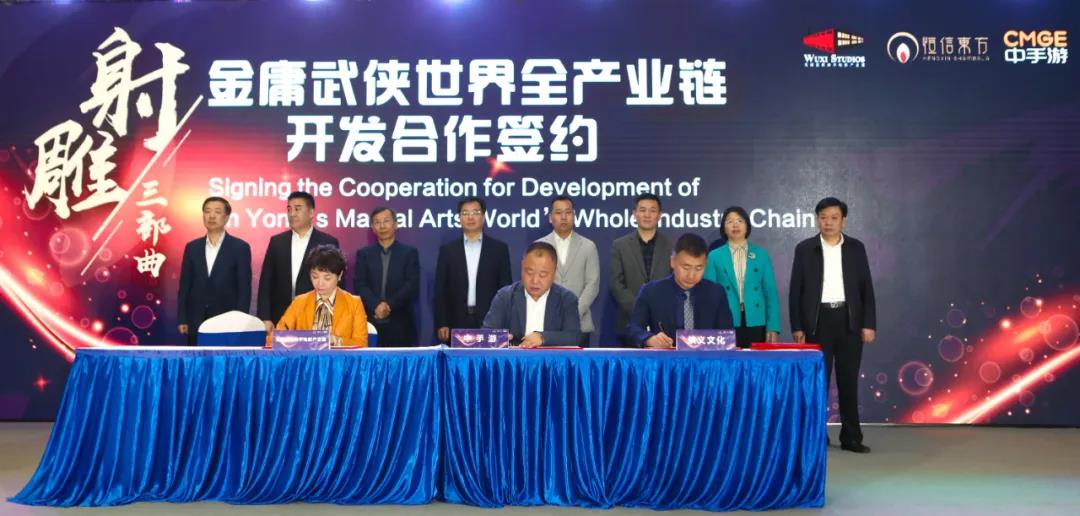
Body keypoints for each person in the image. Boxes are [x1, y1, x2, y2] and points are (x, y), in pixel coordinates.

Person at [790, 197, 877, 453]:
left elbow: (866, 288)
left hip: (849, 321)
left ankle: (851, 437)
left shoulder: (856, 248)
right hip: (817, 323)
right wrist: (797, 327)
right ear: (817, 219)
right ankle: (817, 436)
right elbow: (795, 291)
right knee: (818, 382)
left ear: (843, 221)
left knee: (848, 381)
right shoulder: (805, 249)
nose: (828, 222)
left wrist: (868, 324)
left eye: (834, 217)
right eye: (823, 217)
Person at [626, 233, 734, 347]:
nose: (691, 275)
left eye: (699, 268)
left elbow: (727, 335)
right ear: (673, 261)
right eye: (686, 267)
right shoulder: (651, 291)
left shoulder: (716, 293)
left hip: (706, 357)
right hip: (667, 357)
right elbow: (633, 328)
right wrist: (649, 339)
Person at [257, 191, 340, 332]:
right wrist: (265, 317)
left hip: (315, 317)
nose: (292, 214)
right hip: (280, 317)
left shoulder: (328, 242)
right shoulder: (277, 242)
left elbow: (336, 284)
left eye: (297, 209)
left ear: (311, 212)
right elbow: (266, 282)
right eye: (289, 209)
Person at [434, 197, 512, 342]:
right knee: (458, 357)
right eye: (465, 213)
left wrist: (503, 321)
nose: (470, 217)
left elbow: (505, 288)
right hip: (456, 321)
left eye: (475, 212)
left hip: (490, 320)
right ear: (459, 218)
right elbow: (440, 289)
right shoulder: (448, 250)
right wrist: (442, 322)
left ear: (483, 216)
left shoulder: (499, 249)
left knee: (489, 357)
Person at [177, 197, 252, 345]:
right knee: (197, 359)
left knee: (224, 359)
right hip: (196, 321)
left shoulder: (240, 247)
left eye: (217, 212)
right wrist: (182, 318)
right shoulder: (192, 247)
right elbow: (185, 286)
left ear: (226, 217)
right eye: (207, 211)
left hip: (227, 322)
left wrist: (240, 321)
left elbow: (244, 289)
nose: (211, 216)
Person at [704, 206, 781, 348]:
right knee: (729, 360)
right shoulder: (714, 256)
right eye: (730, 221)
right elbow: (709, 295)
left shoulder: (761, 255)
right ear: (724, 228)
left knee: (755, 360)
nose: (735, 225)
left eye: (740, 221)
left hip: (756, 319)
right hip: (725, 319)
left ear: (747, 226)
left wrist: (773, 326)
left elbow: (770, 293)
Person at [483, 242, 581, 347]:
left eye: (542, 275)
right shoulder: (505, 297)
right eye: (529, 273)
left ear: (554, 274)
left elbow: (573, 337)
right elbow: (486, 334)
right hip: (515, 357)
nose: (535, 280)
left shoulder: (566, 299)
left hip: (551, 357)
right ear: (522, 269)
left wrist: (543, 337)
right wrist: (500, 339)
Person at [609, 193, 673, 345]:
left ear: (660, 215)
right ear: (635, 214)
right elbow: (616, 284)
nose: (647, 215)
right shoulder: (620, 245)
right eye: (642, 210)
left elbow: (674, 280)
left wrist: (656, 309)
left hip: (663, 324)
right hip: (630, 322)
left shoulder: (671, 244)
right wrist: (640, 308)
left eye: (652, 210)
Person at [275, 245, 368, 348]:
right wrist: (296, 340)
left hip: (338, 358)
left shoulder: (354, 304)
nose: (320, 284)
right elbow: (274, 338)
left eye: (327, 278)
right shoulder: (299, 302)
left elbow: (362, 343)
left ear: (340, 275)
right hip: (305, 357)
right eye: (315, 277)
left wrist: (335, 341)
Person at [536, 195, 599, 346]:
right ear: (550, 218)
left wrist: (573, 314)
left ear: (574, 216)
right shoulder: (539, 246)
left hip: (580, 325)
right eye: (558, 213)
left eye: (568, 212)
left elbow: (592, 285)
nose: (564, 217)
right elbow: (536, 283)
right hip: (547, 325)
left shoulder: (588, 246)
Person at [353, 207, 420, 346]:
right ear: (372, 228)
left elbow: (411, 285)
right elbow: (360, 285)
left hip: (401, 322)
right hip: (370, 321)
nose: (382, 226)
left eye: (386, 221)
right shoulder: (364, 254)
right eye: (377, 222)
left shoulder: (409, 253)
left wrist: (388, 306)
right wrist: (376, 306)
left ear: (396, 224)